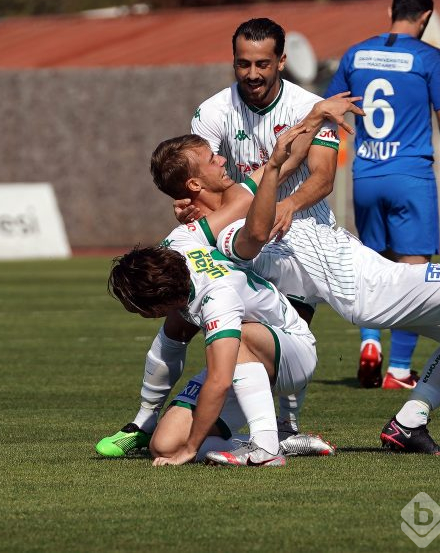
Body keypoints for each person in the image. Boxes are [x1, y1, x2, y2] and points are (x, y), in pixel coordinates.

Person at [141, 132, 440, 453]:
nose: (223, 160)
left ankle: (409, 422)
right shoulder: (221, 231)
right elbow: (254, 233)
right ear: (195, 183)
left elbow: (274, 174)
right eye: (213, 158)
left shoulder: (215, 215)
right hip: (364, 284)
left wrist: (314, 120)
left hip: (345, 281)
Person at [96, 17, 360, 458]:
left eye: (262, 63)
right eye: (243, 63)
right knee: (178, 335)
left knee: (241, 335)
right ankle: (145, 423)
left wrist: (311, 120)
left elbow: (276, 182)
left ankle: (273, 437)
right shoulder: (192, 229)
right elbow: (196, 171)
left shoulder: (222, 239)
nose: (224, 159)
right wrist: (189, 203)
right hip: (231, 242)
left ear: (279, 61)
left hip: (282, 243)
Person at [109, 125, 331, 467]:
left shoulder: (217, 299)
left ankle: (267, 449)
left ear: (159, 305)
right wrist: (179, 447)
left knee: (233, 348)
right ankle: (279, 441)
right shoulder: (180, 241)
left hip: (291, 351)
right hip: (249, 359)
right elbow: (238, 203)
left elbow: (218, 379)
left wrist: (190, 450)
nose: (221, 160)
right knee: (163, 445)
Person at [324, 0, 440, 390]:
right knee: (415, 276)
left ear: (391, 12)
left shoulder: (356, 53)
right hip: (410, 177)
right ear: (425, 17)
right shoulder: (427, 56)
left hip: (366, 176)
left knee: (372, 268)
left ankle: (370, 342)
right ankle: (397, 369)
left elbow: (328, 109)